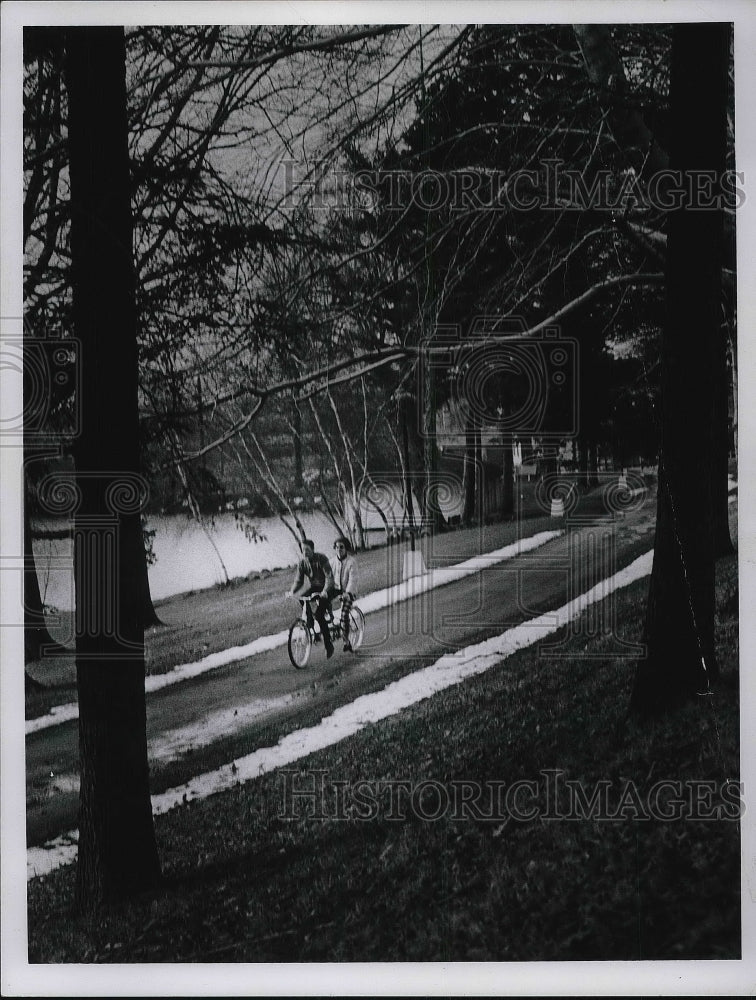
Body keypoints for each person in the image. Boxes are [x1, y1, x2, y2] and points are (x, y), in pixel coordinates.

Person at [287, 538, 335, 658]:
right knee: (302, 598)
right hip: (315, 588)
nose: (305, 552)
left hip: (327, 588)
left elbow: (329, 577)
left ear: (312, 549)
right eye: (303, 550)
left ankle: (329, 645)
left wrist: (324, 591)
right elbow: (299, 581)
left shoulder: (321, 558)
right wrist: (292, 591)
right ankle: (310, 624)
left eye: (307, 549)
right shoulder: (302, 563)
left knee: (319, 615)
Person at [332, 535, 358, 653]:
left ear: (346, 548)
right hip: (336, 591)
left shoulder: (351, 562)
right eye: (336, 547)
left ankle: (346, 641)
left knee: (344, 614)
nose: (339, 549)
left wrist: (348, 593)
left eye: (341, 547)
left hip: (349, 592)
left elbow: (353, 579)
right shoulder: (332, 562)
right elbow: (328, 577)